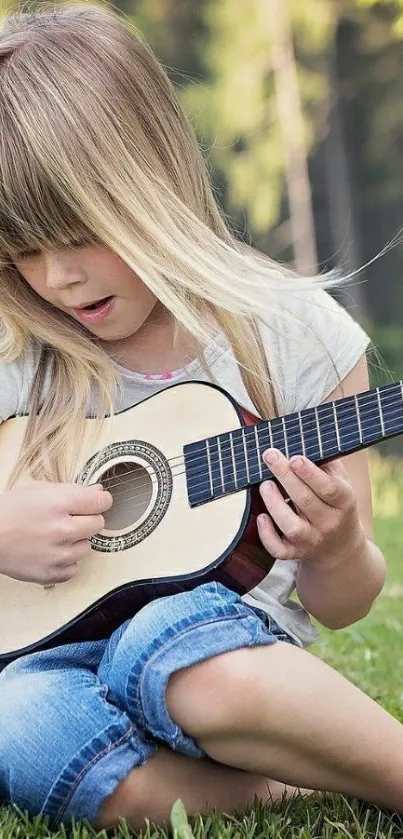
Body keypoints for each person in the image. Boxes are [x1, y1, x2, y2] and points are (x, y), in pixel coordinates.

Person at [0, 2, 401, 831]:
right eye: (21, 251)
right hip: (50, 654)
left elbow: (346, 601)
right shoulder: (17, 352)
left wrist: (334, 547)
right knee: (19, 723)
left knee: (169, 650)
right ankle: (284, 786)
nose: (59, 279)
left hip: (217, 647)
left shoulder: (291, 332)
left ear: (151, 178)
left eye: (77, 232)